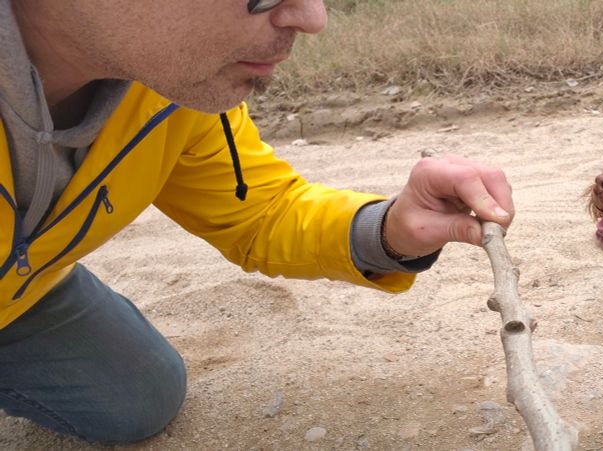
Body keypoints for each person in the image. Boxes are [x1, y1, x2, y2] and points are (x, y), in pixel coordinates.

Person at [0, 0, 515, 443]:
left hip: (26, 291)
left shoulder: (168, 85)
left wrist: (389, 229)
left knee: (138, 396)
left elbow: (261, 211)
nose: (313, 18)